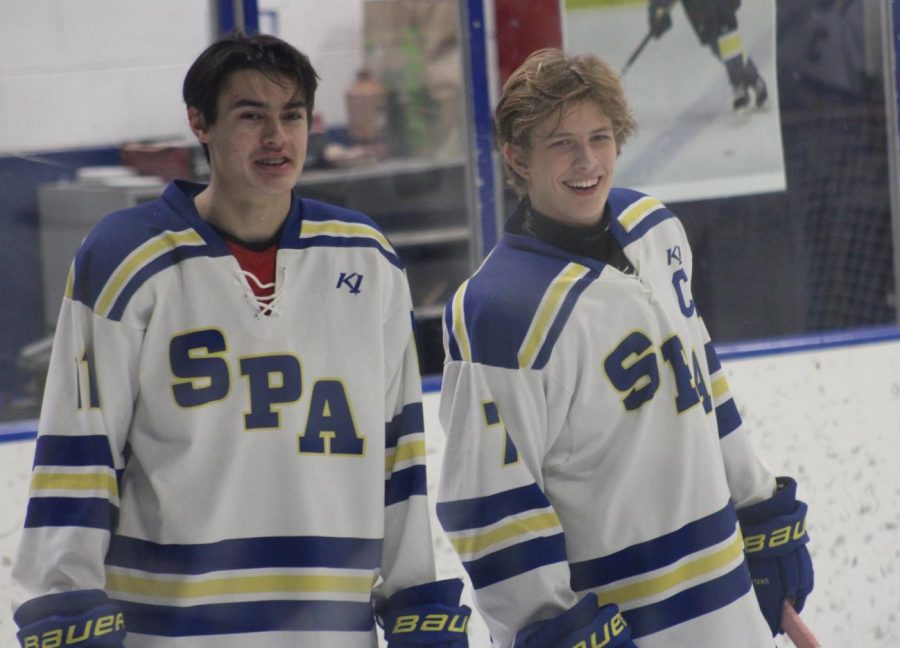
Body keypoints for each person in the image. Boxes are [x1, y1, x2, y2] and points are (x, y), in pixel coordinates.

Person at [11, 32, 469, 647]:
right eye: (251, 116)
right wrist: (65, 612)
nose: (277, 138)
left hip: (333, 632)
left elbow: (400, 450)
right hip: (170, 634)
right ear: (200, 123)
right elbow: (79, 455)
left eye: (292, 116)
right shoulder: (125, 260)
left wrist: (415, 599)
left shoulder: (366, 257)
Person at [435, 48, 812, 647]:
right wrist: (553, 627)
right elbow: (489, 508)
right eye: (561, 143)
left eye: (601, 137)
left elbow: (706, 380)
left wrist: (760, 508)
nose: (587, 161)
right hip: (623, 626)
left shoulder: (653, 226)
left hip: (729, 599)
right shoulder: (498, 310)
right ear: (517, 158)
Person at [648, 0, 768, 111]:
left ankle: (739, 84)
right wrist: (658, 10)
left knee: (729, 44)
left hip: (719, 6)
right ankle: (753, 79)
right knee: (719, 49)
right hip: (700, 12)